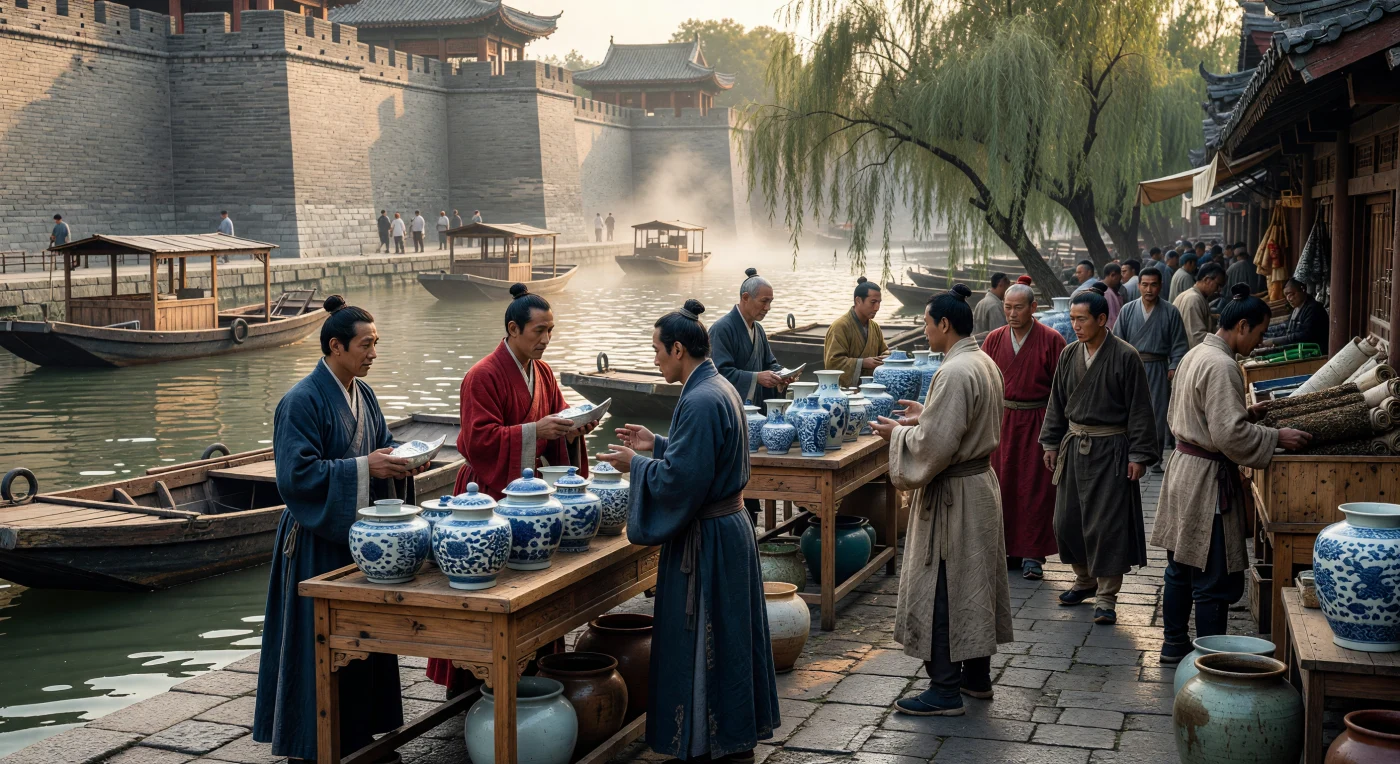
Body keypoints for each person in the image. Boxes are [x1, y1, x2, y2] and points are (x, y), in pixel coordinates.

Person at [597, 299, 781, 761]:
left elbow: (683, 480)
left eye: (657, 349)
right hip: (728, 527)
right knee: (732, 636)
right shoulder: (717, 387)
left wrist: (636, 465)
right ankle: (731, 733)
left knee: (708, 635)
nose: (654, 358)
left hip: (711, 538)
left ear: (679, 349)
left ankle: (709, 739)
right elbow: (700, 458)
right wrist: (656, 444)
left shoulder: (699, 399)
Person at [252, 296, 425, 763]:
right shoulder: (300, 401)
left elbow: (381, 444)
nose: (373, 353)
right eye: (366, 344)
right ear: (335, 346)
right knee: (317, 643)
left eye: (377, 344)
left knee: (366, 638)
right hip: (315, 539)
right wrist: (363, 467)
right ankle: (310, 742)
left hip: (363, 538)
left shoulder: (363, 393)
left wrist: (400, 460)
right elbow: (296, 478)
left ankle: (360, 733)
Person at [424, 283, 592, 693]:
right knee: (485, 591)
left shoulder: (544, 372)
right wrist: (536, 430)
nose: (546, 340)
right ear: (513, 329)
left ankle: (533, 670)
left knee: (533, 587)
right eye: (539, 331)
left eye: (551, 330)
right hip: (487, 495)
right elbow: (477, 442)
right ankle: (469, 682)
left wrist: (574, 430)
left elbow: (557, 425)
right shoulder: (481, 375)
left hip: (532, 498)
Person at [870, 284, 1013, 717]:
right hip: (979, 486)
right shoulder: (982, 360)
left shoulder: (952, 371)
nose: (925, 331)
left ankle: (945, 689)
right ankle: (976, 677)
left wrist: (899, 435)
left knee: (946, 586)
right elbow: (953, 425)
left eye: (927, 323)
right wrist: (924, 415)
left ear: (944, 324)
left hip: (955, 495)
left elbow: (933, 447)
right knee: (978, 581)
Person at [1153, 285, 1311, 663]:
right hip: (1205, 478)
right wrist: (1276, 436)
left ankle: (1173, 645)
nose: (1258, 343)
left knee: (1179, 567)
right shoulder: (1222, 364)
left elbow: (1212, 417)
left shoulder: (1197, 353)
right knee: (1211, 577)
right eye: (1258, 334)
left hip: (1183, 470)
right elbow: (1229, 436)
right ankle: (1211, 659)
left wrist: (1247, 414)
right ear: (1242, 325)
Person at [1039, 282, 1158, 626]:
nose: (1075, 326)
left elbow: (1140, 409)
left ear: (1102, 319)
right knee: (1067, 520)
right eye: (1072, 319)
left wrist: (1139, 455)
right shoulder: (1068, 354)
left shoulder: (1125, 356)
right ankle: (1084, 579)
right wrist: (1050, 442)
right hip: (1075, 447)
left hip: (1111, 451)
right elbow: (1057, 403)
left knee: (1107, 525)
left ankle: (1106, 596)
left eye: (1082, 319)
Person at [983, 282, 1065, 581]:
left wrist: (1055, 436)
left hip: (1038, 420)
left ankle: (1033, 553)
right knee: (1003, 485)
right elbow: (983, 383)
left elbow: (1062, 390)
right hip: (1002, 420)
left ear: (1033, 308)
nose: (1012, 313)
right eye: (1007, 306)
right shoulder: (994, 339)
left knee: (1035, 488)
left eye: (1019, 307)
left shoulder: (1052, 340)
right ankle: (1006, 550)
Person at [1114, 267, 1188, 469]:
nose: (1149, 289)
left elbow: (1179, 344)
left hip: (1158, 368)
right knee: (1129, 410)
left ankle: (1154, 458)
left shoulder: (1170, 311)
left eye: (1153, 284)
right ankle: (1130, 453)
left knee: (1157, 412)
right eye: (1145, 284)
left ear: (1160, 285)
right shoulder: (1127, 310)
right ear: (1138, 286)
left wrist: (1174, 366)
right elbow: (1117, 342)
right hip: (1131, 367)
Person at [710, 268, 793, 405]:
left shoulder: (758, 329)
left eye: (770, 302)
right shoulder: (721, 329)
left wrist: (782, 375)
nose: (768, 308)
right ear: (746, 298)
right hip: (731, 409)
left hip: (756, 408)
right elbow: (718, 374)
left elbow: (769, 364)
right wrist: (756, 378)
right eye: (764, 301)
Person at [824, 277, 889, 387]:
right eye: (873, 302)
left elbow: (885, 351)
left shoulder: (875, 327)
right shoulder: (840, 326)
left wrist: (885, 358)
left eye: (879, 302)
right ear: (858, 300)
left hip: (871, 389)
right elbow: (833, 363)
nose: (877, 307)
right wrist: (862, 363)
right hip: (845, 392)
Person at [1262, 279, 1328, 349]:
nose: (1289, 299)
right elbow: (1286, 328)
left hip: (1314, 350)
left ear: (1303, 289)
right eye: (1286, 295)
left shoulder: (1313, 308)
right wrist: (1264, 333)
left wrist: (1273, 341)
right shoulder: (1297, 308)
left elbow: (1304, 336)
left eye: (1291, 294)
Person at [1174, 263, 1225, 347]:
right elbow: (1197, 338)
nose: (1219, 290)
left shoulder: (1195, 296)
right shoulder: (1193, 299)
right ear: (1207, 280)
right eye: (1218, 285)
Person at [1101, 263, 1124, 328]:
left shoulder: (1111, 291)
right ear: (1112, 275)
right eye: (1119, 278)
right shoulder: (1107, 293)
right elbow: (1111, 319)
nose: (1120, 281)